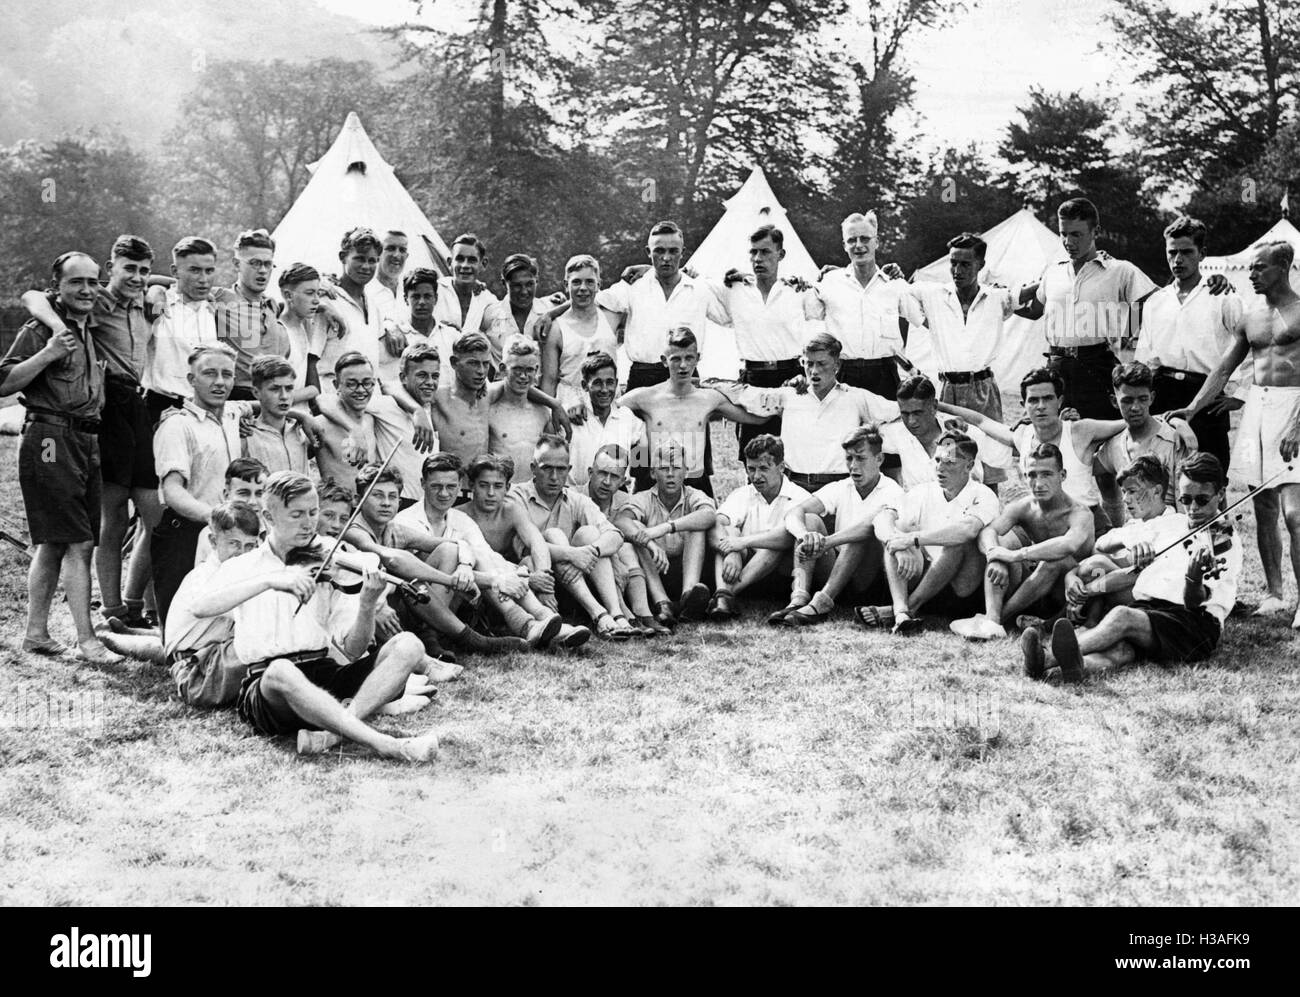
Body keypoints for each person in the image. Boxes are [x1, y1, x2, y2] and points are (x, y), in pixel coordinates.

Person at [188, 471, 440, 761]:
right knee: (280, 670)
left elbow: (353, 649)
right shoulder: (242, 566)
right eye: (296, 515)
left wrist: (368, 604)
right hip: (270, 690)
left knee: (409, 644)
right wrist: (271, 580)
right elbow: (199, 606)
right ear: (268, 517)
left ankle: (333, 733)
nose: (308, 523)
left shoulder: (329, 559)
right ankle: (386, 744)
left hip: (324, 672)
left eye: (312, 512)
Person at [20, 234, 161, 627]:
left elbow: (164, 280)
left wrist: (158, 288)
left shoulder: (142, 303)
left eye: (143, 271)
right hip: (83, 417)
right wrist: (52, 333)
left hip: (126, 409)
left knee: (146, 517)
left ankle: (135, 605)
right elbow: (33, 297)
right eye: (127, 269)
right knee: (100, 522)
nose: (136, 277)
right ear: (110, 269)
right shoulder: (87, 305)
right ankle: (107, 613)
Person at [1171, 240, 1300, 623]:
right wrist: (1193, 408)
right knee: (1263, 507)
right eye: (1249, 268)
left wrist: (1298, 423)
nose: (1252, 274)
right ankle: (1275, 594)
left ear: (1284, 266)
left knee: (1295, 514)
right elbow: (1224, 369)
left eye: (1259, 267)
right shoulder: (1251, 317)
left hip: (1294, 405)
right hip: (1259, 409)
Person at [1026, 453, 1241, 683]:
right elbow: (1110, 551)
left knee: (1122, 616)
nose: (1193, 509)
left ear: (1220, 494)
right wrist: (1138, 554)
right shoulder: (1172, 523)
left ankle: (1046, 659)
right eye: (1186, 499)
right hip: (1151, 610)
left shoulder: (1221, 537)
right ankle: (1079, 666)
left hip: (1193, 623)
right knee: (1120, 649)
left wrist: (1194, 578)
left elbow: (1194, 602)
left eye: (1202, 500)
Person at [0, 251, 114, 663]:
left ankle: (35, 634)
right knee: (79, 543)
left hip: (85, 440)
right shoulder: (40, 329)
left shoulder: (92, 325)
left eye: (93, 281)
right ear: (57, 288)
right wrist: (48, 352)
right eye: (76, 282)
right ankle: (87, 641)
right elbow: (4, 383)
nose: (86, 290)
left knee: (52, 543)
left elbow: (144, 282)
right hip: (49, 436)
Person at [941, 367, 1191, 537]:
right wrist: (938, 405)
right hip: (1041, 520)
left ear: (1060, 401)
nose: (1041, 407)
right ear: (1023, 405)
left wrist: (1176, 423)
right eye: (1033, 401)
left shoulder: (1081, 430)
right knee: (998, 543)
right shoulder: (1023, 435)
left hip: (1085, 522)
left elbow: (1134, 419)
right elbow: (982, 421)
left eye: (1048, 399)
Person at [1015, 198, 1157, 418]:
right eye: (1063, 233)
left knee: (1101, 434)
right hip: (1056, 366)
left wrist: (1128, 334)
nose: (1068, 242)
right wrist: (1002, 299)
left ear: (1095, 232)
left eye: (1076, 234)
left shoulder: (1118, 270)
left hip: (1097, 364)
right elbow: (1034, 310)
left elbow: (1153, 299)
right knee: (1055, 437)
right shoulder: (1053, 272)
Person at [389, 452, 537, 655]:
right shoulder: (404, 521)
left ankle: (531, 620)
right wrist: (495, 580)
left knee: (480, 557)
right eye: (436, 486)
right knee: (450, 551)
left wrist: (518, 575)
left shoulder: (460, 519)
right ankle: (438, 636)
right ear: (423, 483)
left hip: (448, 602)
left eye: (451, 487)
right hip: (411, 606)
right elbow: (416, 576)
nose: (444, 494)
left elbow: (487, 556)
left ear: (460, 486)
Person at [861, 431, 1000, 634]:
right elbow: (883, 517)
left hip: (961, 587)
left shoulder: (983, 494)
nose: (940, 468)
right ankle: (900, 612)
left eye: (949, 463)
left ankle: (910, 607)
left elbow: (966, 531)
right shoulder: (923, 491)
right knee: (895, 536)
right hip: (926, 578)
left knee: (956, 541)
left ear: (969, 466)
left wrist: (911, 539)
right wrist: (896, 542)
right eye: (937, 461)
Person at [952, 443, 1094, 640]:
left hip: (1072, 593)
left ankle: (996, 620)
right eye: (1032, 475)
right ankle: (992, 619)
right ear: (1024, 476)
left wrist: (1015, 555)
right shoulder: (1024, 506)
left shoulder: (1080, 513)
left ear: (1062, 475)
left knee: (1053, 560)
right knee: (999, 547)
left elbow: (1068, 545)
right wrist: (995, 554)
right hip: (1036, 590)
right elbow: (989, 530)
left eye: (1046, 474)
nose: (1038, 483)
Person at [150, 343, 245, 636]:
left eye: (227, 375)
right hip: (185, 535)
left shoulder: (231, 414)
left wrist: (305, 418)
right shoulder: (177, 426)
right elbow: (173, 492)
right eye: (209, 374)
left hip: (224, 535)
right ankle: (124, 637)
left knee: (225, 629)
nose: (219, 382)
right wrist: (216, 516)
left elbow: (257, 404)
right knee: (181, 639)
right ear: (191, 380)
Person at [1136, 215, 1244, 471]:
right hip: (1163, 393)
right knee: (1161, 471)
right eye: (1172, 253)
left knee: (1210, 473)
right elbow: (1144, 357)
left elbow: (1248, 346)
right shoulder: (1156, 301)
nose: (1178, 260)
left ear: (1202, 253)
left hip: (1206, 394)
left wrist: (1240, 395)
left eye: (1186, 252)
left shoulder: (1223, 297)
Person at [771, 425, 903, 626]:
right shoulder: (842, 487)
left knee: (862, 533)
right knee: (810, 520)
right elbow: (794, 512)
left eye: (860, 458)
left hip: (869, 579)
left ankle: (822, 603)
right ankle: (798, 599)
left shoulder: (892, 490)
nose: (853, 466)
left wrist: (828, 542)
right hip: (838, 569)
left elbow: (869, 528)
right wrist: (804, 534)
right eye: (849, 458)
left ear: (879, 459)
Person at [457, 453, 592, 648]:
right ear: (471, 485)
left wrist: (543, 577)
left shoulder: (510, 510)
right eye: (483, 485)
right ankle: (537, 625)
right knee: (482, 557)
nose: (491, 493)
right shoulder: (460, 515)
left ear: (508, 488)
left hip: (512, 587)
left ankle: (550, 626)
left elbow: (536, 541)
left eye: (498, 486)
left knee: (530, 563)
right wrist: (521, 579)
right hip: (480, 589)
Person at [616, 326, 769, 497]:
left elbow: (757, 419)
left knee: (712, 521)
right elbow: (607, 412)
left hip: (696, 483)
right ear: (664, 360)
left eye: (689, 358)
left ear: (697, 358)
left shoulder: (709, 398)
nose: (683, 365)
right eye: (676, 359)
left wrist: (786, 396)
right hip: (655, 484)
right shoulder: (644, 397)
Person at [511, 435, 637, 640]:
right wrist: (572, 554)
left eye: (561, 469)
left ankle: (616, 613)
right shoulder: (517, 496)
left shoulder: (576, 499)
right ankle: (599, 614)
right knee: (554, 535)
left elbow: (615, 535)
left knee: (591, 534)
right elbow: (526, 545)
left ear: (569, 471)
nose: (554, 476)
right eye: (546, 468)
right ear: (533, 468)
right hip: (535, 582)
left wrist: (592, 551)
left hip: (573, 584)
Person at [749, 332, 898, 492]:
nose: (814, 371)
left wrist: (874, 445)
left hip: (838, 488)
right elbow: (743, 400)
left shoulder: (855, 397)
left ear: (837, 365)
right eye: (809, 364)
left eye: (821, 364)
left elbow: (900, 412)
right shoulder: (789, 395)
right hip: (794, 487)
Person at [709, 224, 811, 447]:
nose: (758, 258)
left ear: (780, 254)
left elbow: (830, 296)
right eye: (753, 252)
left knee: (792, 449)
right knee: (753, 452)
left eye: (765, 252)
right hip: (753, 379)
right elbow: (691, 283)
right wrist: (645, 270)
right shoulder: (734, 290)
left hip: (791, 377)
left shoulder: (797, 291)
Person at [802, 211, 922, 398]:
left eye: (865, 239)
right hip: (843, 373)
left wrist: (910, 369)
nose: (858, 246)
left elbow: (921, 324)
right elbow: (802, 316)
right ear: (844, 245)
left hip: (885, 375)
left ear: (877, 242)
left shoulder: (894, 284)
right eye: (852, 240)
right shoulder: (829, 282)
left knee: (886, 426)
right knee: (844, 427)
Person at [898, 232, 1014, 422]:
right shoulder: (933, 294)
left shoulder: (995, 297)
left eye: (965, 264)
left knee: (991, 446)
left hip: (983, 388)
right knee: (949, 446)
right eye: (953, 263)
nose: (957, 270)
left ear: (981, 265)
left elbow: (1022, 298)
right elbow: (896, 291)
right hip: (948, 387)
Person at [1063, 456, 1182, 628]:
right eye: (1124, 492)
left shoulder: (1173, 524)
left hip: (1151, 600)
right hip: (1120, 590)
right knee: (1095, 565)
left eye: (1132, 491)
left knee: (1096, 566)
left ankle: (1081, 620)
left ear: (1156, 491)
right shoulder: (1135, 524)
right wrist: (1071, 575)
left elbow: (1139, 575)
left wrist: (1087, 591)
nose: (1125, 499)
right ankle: (1088, 622)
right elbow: (1099, 546)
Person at [708, 434, 814, 619]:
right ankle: (723, 598)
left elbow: (789, 538)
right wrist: (731, 551)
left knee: (774, 542)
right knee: (728, 531)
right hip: (746, 568)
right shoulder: (743, 494)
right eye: (751, 469)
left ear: (781, 467)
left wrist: (741, 542)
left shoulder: (800, 497)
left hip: (783, 575)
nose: (756, 476)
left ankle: (725, 595)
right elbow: (716, 525)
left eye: (764, 468)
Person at [616, 440, 718, 628]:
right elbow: (621, 520)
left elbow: (709, 515)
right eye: (663, 469)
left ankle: (688, 597)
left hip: (686, 569)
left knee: (694, 524)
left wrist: (666, 527)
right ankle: (662, 603)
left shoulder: (694, 494)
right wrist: (649, 542)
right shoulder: (644, 498)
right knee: (637, 528)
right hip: (655, 572)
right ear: (653, 473)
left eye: (677, 468)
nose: (670, 474)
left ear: (686, 472)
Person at [583, 444, 665, 635]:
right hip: (586, 572)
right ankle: (627, 616)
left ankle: (642, 613)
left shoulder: (626, 500)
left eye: (615, 477)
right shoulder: (575, 497)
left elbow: (636, 528)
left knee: (630, 541)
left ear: (623, 481)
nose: (607, 481)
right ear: (590, 472)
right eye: (602, 473)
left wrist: (649, 542)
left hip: (621, 575)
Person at [1094, 361, 1189, 525]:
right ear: (1114, 401)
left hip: (1171, 530)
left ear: (1151, 398)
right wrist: (1072, 430)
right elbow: (1079, 469)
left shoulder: (1175, 440)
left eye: (1142, 399)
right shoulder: (1114, 444)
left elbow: (1185, 504)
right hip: (1133, 534)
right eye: (1127, 401)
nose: (1135, 407)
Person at [880, 374, 1010, 489]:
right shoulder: (897, 433)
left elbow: (1009, 451)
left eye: (918, 413)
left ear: (934, 406)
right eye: (905, 414)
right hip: (919, 512)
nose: (911, 421)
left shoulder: (962, 433)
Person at [141, 236, 219, 423]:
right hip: (162, 406)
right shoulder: (158, 303)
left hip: (201, 409)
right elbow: (140, 282)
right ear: (175, 271)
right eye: (194, 270)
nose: (203, 279)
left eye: (209, 271)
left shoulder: (210, 309)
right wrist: (156, 287)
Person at [320, 227, 406, 389]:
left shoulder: (373, 307)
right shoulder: (327, 301)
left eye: (372, 260)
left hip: (365, 397)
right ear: (343, 258)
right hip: (331, 395)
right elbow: (311, 358)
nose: (366, 266)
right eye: (359, 259)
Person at [211, 229, 290, 401]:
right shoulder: (220, 298)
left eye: (267, 264)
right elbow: (181, 286)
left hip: (273, 399)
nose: (262, 270)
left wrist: (325, 307)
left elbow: (299, 303)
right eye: (255, 263)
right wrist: (156, 290)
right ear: (237, 264)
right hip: (236, 397)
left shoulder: (272, 306)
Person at [540, 255, 619, 408]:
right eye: (576, 282)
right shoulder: (557, 328)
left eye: (589, 282)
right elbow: (549, 381)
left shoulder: (611, 316)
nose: (583, 288)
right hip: (570, 405)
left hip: (607, 400)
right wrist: (549, 418)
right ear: (565, 285)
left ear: (598, 285)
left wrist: (642, 268)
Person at [567, 351, 647, 488]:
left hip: (615, 498)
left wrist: (634, 477)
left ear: (616, 383)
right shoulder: (572, 415)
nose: (604, 390)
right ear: (585, 385)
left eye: (609, 382)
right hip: (576, 498)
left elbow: (644, 443)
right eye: (597, 383)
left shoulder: (626, 416)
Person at [489, 336, 559, 483]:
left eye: (529, 370)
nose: (523, 376)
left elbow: (551, 459)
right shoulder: (489, 410)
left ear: (537, 370)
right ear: (503, 369)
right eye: (517, 369)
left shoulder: (543, 412)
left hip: (531, 496)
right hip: (498, 493)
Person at [312, 351, 379, 490]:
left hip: (368, 507)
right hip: (338, 507)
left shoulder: (373, 419)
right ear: (336, 385)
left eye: (367, 383)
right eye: (352, 384)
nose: (361, 390)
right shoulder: (320, 424)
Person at [192, 457, 267, 567]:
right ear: (226, 495)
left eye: (259, 493)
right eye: (243, 493)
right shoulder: (214, 533)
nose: (252, 502)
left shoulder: (271, 530)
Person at [243, 356, 312, 475]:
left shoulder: (301, 432)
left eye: (289, 388)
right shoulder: (247, 436)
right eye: (275, 389)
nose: (284, 396)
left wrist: (303, 417)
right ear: (256, 392)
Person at [485, 253, 549, 366]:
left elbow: (583, 304)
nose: (524, 291)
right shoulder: (489, 314)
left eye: (529, 284)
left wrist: (555, 311)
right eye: (517, 286)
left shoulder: (548, 309)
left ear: (537, 281)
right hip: (501, 381)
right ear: (504, 283)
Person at [434, 233, 498, 339]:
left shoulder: (488, 300)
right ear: (450, 263)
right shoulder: (435, 290)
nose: (465, 266)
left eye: (472, 260)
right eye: (460, 259)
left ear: (483, 264)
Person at [278, 263, 327, 397]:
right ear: (288, 295)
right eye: (310, 293)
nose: (317, 300)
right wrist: (313, 391)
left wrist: (328, 308)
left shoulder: (306, 324)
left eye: (319, 293)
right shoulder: (280, 332)